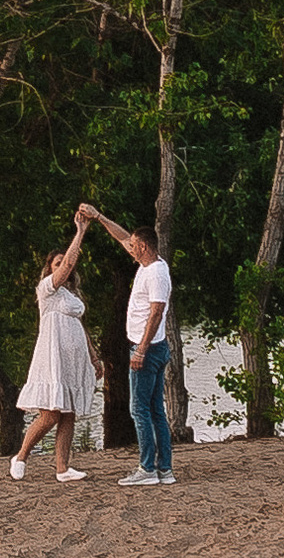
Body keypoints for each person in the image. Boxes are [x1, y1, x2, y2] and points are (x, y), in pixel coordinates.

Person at [86, 204, 178, 487]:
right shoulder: (147, 264)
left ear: (146, 247)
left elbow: (156, 312)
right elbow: (122, 237)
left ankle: (148, 468)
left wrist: (140, 349)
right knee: (155, 409)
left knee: (140, 410)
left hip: (147, 349)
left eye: (136, 246)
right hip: (149, 347)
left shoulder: (157, 274)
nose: (131, 249)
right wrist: (99, 216)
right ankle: (164, 469)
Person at [10, 214, 97, 482]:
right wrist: (80, 231)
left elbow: (81, 327)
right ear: (50, 269)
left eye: (64, 263)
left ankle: (62, 468)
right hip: (52, 358)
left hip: (73, 360)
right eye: (57, 264)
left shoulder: (71, 296)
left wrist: (95, 358)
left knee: (68, 414)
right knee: (49, 415)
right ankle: (21, 456)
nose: (64, 267)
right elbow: (70, 261)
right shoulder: (46, 290)